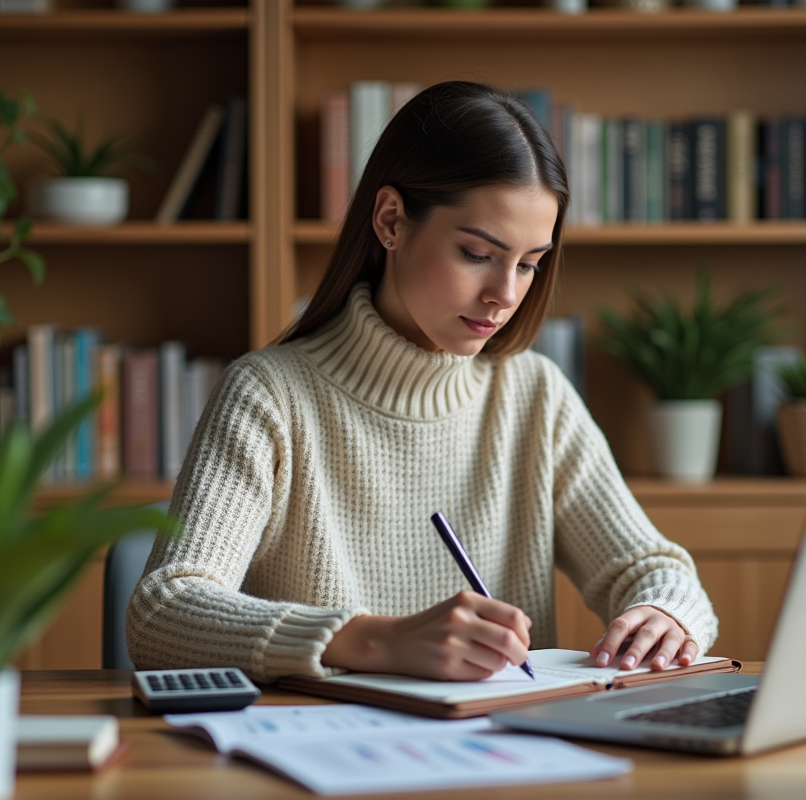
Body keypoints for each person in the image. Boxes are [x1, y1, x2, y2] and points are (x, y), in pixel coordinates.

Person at [127, 81, 718, 683]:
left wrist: (663, 612)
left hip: (509, 759)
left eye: (529, 264)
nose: (506, 295)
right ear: (391, 220)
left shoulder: (535, 397)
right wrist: (378, 641)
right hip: (326, 758)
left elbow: (652, 567)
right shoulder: (269, 395)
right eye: (476, 253)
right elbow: (163, 613)